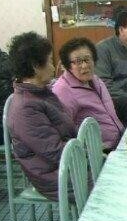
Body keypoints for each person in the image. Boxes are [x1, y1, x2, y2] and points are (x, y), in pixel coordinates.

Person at [6, 32, 76, 200]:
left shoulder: (41, 94)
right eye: (50, 61)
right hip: (55, 178)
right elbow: (55, 152)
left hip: (65, 166)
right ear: (36, 66)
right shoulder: (25, 107)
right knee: (112, 183)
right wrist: (89, 154)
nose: (53, 67)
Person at [52, 37, 124, 152]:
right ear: (68, 66)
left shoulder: (96, 80)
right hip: (97, 153)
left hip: (118, 142)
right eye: (78, 62)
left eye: (87, 59)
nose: (84, 66)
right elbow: (63, 132)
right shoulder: (63, 90)